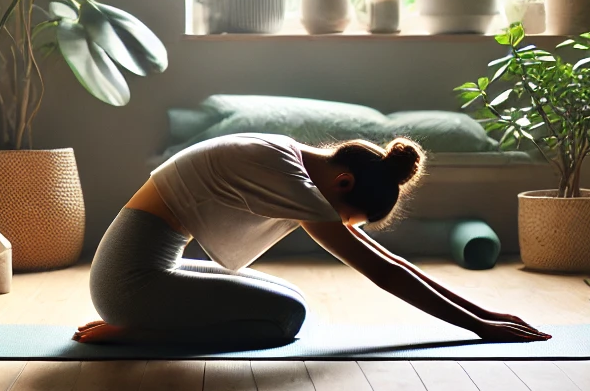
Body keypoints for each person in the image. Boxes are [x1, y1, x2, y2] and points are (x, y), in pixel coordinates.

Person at [77, 133, 549, 348]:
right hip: (128, 285)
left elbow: (393, 263)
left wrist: (486, 314)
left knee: (288, 298)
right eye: (348, 219)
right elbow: (383, 271)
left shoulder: (287, 157)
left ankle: (147, 320)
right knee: (289, 317)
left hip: (134, 270)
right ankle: (145, 331)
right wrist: (478, 328)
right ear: (343, 184)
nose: (341, 227)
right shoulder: (295, 184)